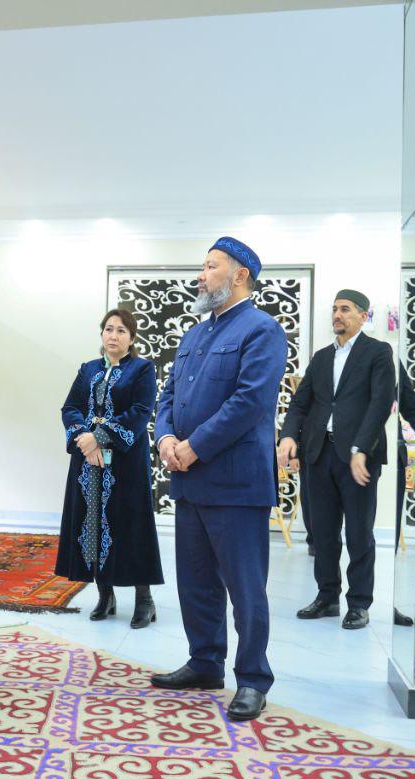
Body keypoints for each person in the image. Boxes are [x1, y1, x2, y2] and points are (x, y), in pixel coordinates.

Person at [150, 236, 287, 722]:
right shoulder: (193, 334)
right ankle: (205, 663)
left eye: (210, 267)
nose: (200, 275)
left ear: (240, 275)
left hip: (235, 483)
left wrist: (194, 446)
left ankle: (252, 679)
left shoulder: (262, 330)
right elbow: (168, 396)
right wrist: (166, 438)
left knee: (245, 588)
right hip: (189, 481)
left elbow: (249, 402)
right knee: (197, 582)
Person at [279, 289, 395, 630]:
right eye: (334, 309)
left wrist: (361, 448)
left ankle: (359, 603)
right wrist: (289, 436)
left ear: (363, 315)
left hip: (359, 457)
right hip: (319, 454)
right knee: (323, 533)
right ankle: (327, 597)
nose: (337, 315)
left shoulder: (378, 352)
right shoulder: (321, 357)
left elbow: (380, 404)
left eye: (345, 309)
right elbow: (300, 403)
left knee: (359, 533)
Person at [56, 308, 164, 627]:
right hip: (88, 463)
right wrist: (84, 439)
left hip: (126, 465)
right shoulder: (88, 368)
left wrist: (99, 437)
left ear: (132, 338)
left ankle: (144, 600)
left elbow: (141, 410)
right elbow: (70, 407)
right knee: (91, 525)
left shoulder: (142, 369)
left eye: (121, 331)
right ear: (101, 333)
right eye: (108, 329)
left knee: (132, 525)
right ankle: (105, 595)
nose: (113, 336)